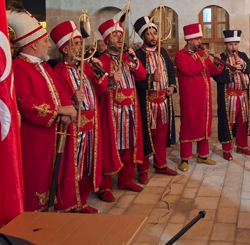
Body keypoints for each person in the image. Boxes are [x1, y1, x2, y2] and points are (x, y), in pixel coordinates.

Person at [7, 4, 78, 212]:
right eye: (45, 41)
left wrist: (68, 107)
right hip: (34, 136)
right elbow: (25, 103)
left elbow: (59, 91)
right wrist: (60, 111)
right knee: (35, 176)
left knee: (49, 174)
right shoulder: (19, 67)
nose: (49, 46)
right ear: (34, 45)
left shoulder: (44, 66)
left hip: (50, 132)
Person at [50, 20, 109, 213]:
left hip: (91, 124)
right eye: (76, 44)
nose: (80, 47)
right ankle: (68, 202)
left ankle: (82, 201)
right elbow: (57, 99)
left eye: (80, 43)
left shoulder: (85, 67)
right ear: (65, 49)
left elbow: (101, 89)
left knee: (87, 164)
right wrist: (72, 98)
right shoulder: (58, 72)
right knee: (73, 165)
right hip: (74, 127)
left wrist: (100, 72)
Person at [97, 19, 147, 202]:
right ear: (107, 39)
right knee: (109, 147)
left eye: (121, 35)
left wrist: (134, 60)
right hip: (111, 111)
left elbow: (142, 76)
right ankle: (104, 186)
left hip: (130, 109)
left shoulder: (126, 58)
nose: (120, 39)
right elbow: (98, 88)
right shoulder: (101, 61)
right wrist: (110, 80)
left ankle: (126, 180)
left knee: (129, 145)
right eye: (115, 36)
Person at [133, 16, 178, 182]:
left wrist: (172, 85)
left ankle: (161, 165)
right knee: (146, 135)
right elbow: (135, 78)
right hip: (148, 102)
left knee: (162, 134)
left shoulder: (162, 52)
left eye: (155, 33)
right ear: (143, 36)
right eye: (149, 34)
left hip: (164, 101)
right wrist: (150, 78)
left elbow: (171, 70)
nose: (153, 36)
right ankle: (143, 170)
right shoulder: (138, 54)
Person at [175, 23, 223, 172]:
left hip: (204, 99)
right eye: (197, 39)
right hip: (190, 100)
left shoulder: (200, 55)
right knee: (188, 127)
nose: (200, 42)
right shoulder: (180, 55)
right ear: (189, 40)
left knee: (204, 125)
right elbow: (188, 70)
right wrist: (202, 59)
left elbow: (213, 72)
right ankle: (185, 158)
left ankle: (203, 155)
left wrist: (217, 62)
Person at [212, 30, 250, 161]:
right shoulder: (221, 58)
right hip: (229, 97)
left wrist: (243, 65)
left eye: (236, 44)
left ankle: (242, 146)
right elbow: (217, 77)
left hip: (243, 96)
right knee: (228, 122)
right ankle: (226, 149)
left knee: (243, 121)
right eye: (231, 44)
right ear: (226, 44)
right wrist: (230, 72)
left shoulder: (242, 55)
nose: (234, 47)